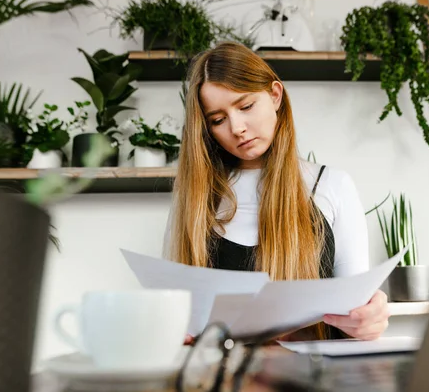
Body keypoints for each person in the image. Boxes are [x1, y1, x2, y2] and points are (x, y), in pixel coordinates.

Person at [163, 41, 389, 342]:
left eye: (245, 107)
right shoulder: (193, 200)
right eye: (218, 120)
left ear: (274, 95)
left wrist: (368, 318)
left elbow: (356, 307)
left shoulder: (332, 186)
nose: (237, 127)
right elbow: (173, 312)